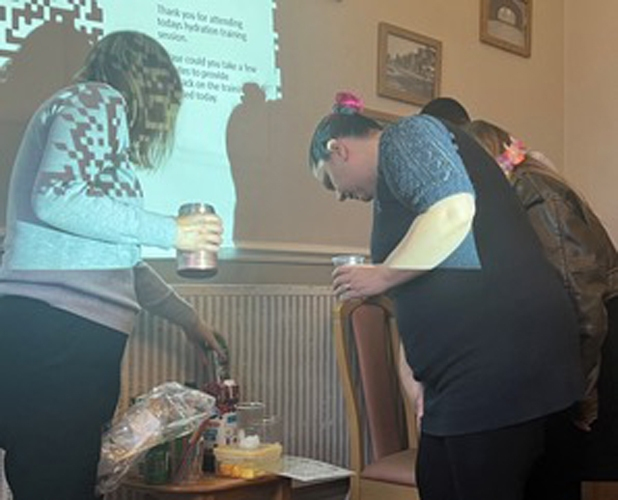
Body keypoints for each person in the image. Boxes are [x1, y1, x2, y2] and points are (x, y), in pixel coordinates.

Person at [309, 91, 584, 500]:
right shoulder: (399, 183)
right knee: (440, 479)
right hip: (481, 376)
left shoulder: (407, 135)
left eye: (330, 181)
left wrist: (381, 275)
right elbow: (426, 282)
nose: (338, 195)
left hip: (497, 371)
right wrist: (415, 371)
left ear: (338, 149)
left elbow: (453, 211)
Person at [0, 31, 225, 500]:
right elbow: (56, 199)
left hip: (55, 337)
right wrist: (174, 232)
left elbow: (123, 265)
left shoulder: (86, 120)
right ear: (150, 86)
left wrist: (189, 320)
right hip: (59, 338)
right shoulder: (97, 99)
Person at [465, 119, 618, 500]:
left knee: (568, 462)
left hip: (599, 341)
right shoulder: (522, 191)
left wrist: (584, 394)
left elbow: (581, 302)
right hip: (582, 342)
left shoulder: (537, 195)